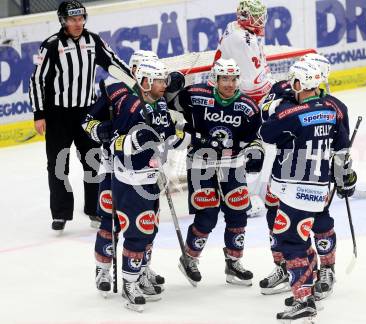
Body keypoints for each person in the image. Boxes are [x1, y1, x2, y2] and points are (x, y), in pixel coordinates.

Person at [259, 60, 356, 321]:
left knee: (290, 242)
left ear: (300, 83)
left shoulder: (291, 113)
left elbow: (265, 132)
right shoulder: (332, 110)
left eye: (294, 81)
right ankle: (308, 288)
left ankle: (304, 300)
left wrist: (272, 105)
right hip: (318, 188)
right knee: (299, 238)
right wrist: (346, 176)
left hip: (293, 190)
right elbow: (341, 150)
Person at [29, 0, 131, 232]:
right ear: (63, 21)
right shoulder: (51, 46)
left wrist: (134, 81)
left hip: (87, 113)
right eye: (73, 20)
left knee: (93, 161)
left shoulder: (93, 40)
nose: (78, 23)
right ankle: (61, 213)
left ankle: (94, 209)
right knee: (58, 164)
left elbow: (113, 62)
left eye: (81, 18)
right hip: (58, 115)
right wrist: (39, 113)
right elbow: (36, 81)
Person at [83, 50, 175, 301]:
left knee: (147, 224)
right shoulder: (117, 93)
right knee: (110, 221)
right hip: (113, 168)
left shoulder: (156, 101)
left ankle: (140, 269)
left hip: (144, 171)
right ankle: (103, 269)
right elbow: (88, 122)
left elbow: (163, 132)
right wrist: (102, 131)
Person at [169, 58, 264, 287]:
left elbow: (255, 138)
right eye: (224, 79)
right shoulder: (195, 95)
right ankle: (189, 258)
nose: (229, 84)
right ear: (215, 79)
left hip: (232, 164)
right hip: (201, 164)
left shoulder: (248, 107)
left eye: (233, 79)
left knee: (238, 213)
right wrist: (172, 85)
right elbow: (165, 105)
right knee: (207, 216)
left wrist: (254, 151)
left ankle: (233, 263)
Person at [213, 0, 271, 218]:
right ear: (245, 16)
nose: (261, 20)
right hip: (236, 99)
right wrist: (274, 95)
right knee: (250, 146)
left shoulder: (237, 28)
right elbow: (254, 84)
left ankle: (242, 192)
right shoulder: (242, 39)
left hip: (232, 93)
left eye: (261, 15)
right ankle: (243, 195)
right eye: (256, 16)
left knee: (243, 147)